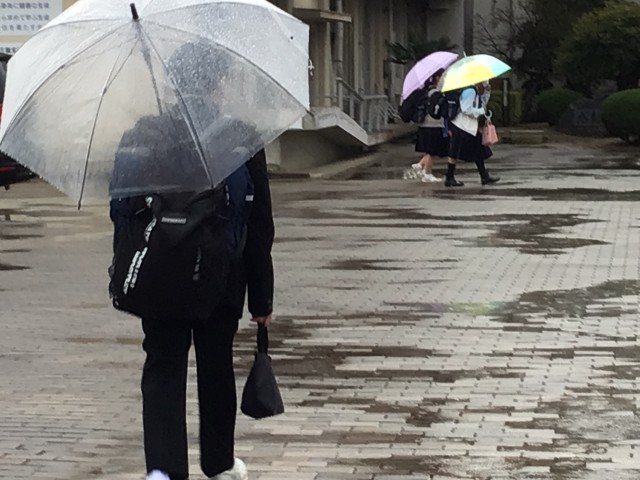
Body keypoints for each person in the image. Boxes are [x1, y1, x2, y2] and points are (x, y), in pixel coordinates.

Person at [110, 149, 274, 480]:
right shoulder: (239, 140)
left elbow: (123, 212)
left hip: (160, 270)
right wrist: (261, 300)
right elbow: (258, 222)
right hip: (220, 274)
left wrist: (127, 268)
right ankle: (219, 464)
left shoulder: (144, 137)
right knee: (216, 365)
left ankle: (163, 471)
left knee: (162, 368)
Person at [445, 81, 500, 187]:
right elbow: (465, 109)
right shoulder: (470, 91)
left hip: (470, 127)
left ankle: (484, 176)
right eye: (484, 82)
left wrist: (487, 91)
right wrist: (480, 111)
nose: (485, 83)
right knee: (454, 152)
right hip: (461, 126)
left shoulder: (475, 91)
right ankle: (449, 178)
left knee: (478, 150)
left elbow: (482, 103)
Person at [410, 71, 449, 183]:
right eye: (442, 76)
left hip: (424, 124)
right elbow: (442, 111)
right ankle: (427, 173)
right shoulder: (436, 93)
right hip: (434, 124)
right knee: (432, 151)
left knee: (430, 150)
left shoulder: (426, 92)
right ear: (437, 78)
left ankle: (420, 165)